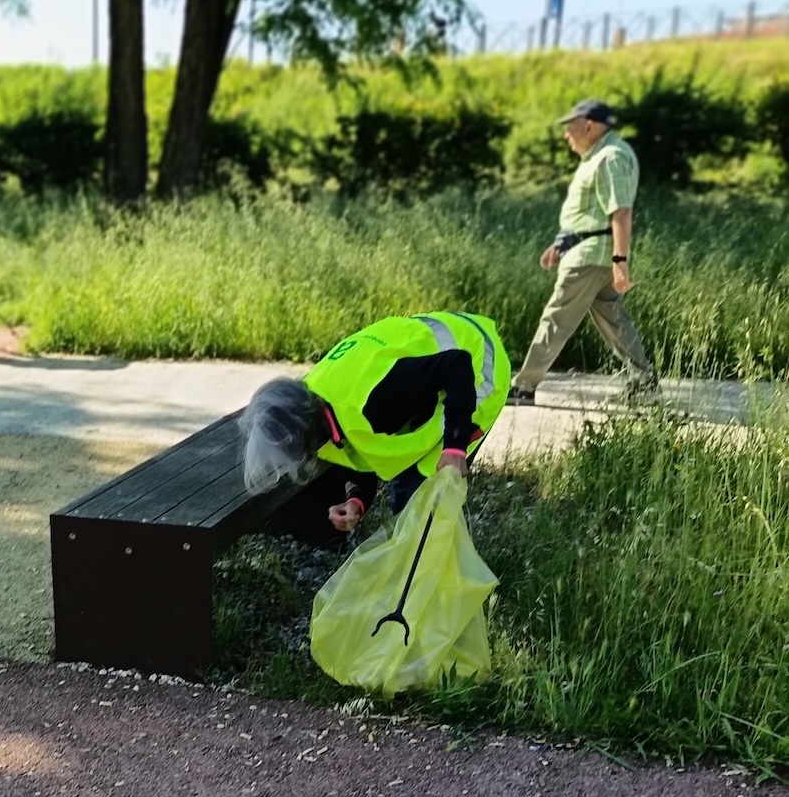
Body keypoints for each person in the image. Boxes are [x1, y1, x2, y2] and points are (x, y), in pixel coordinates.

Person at [240, 310, 510, 533]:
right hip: (428, 359)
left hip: (479, 360)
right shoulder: (312, 404)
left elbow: (458, 364)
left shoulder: (374, 398)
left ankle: (434, 573)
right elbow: (356, 452)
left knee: (423, 497)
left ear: (306, 433)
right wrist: (356, 499)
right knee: (407, 504)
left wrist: (454, 447)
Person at [510, 98, 656, 403]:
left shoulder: (610, 158)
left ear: (589, 126)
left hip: (590, 258)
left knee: (557, 317)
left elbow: (621, 211)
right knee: (614, 319)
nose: (566, 135)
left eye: (570, 127)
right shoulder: (599, 156)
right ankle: (643, 381)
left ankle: (523, 386)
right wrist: (562, 243)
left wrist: (620, 260)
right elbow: (591, 214)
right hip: (589, 252)